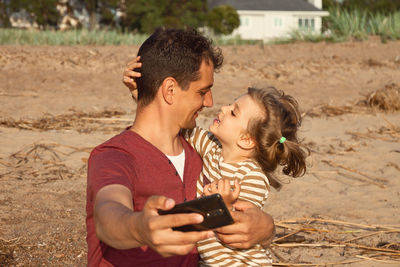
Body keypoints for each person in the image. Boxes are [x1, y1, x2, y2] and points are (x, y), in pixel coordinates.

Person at [86, 28, 275, 267]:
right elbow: (108, 215)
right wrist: (140, 228)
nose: (210, 102)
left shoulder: (201, 155)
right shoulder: (115, 156)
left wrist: (267, 229)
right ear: (170, 90)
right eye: (202, 91)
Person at [125, 61, 308, 265]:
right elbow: (173, 122)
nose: (223, 108)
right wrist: (141, 96)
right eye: (231, 103)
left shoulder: (253, 175)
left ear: (246, 140)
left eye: (233, 112)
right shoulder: (212, 147)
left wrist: (226, 204)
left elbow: (243, 223)